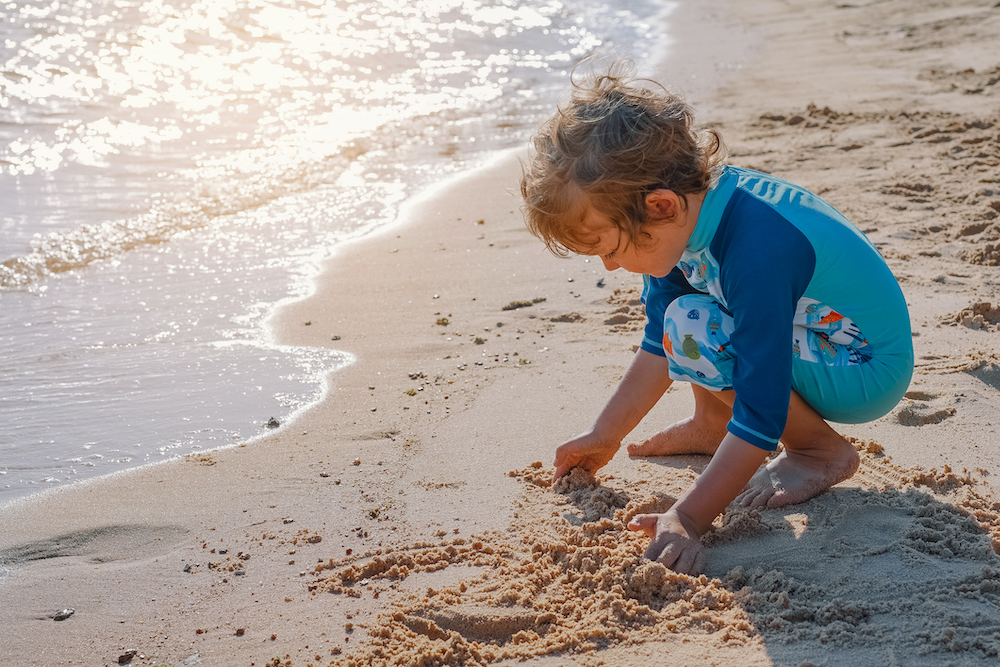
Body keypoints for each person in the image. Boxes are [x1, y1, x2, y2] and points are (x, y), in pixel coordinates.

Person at [518, 62, 914, 575]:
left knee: (697, 328)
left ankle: (818, 451)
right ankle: (711, 425)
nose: (610, 265)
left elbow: (761, 401)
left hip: (861, 363)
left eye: (610, 248)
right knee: (682, 322)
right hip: (812, 336)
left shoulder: (757, 247)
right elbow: (658, 343)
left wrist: (689, 517)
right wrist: (605, 435)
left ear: (659, 206)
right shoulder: (687, 216)